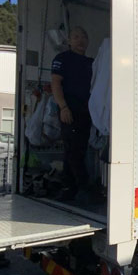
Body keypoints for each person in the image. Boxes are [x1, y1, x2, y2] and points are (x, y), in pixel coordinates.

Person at [50, 26, 93, 200]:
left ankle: (69, 188)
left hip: (86, 111)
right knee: (73, 149)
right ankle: (83, 187)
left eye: (83, 37)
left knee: (78, 149)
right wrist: (63, 107)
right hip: (70, 110)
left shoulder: (91, 62)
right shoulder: (62, 59)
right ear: (69, 41)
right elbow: (56, 83)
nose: (80, 40)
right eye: (76, 37)